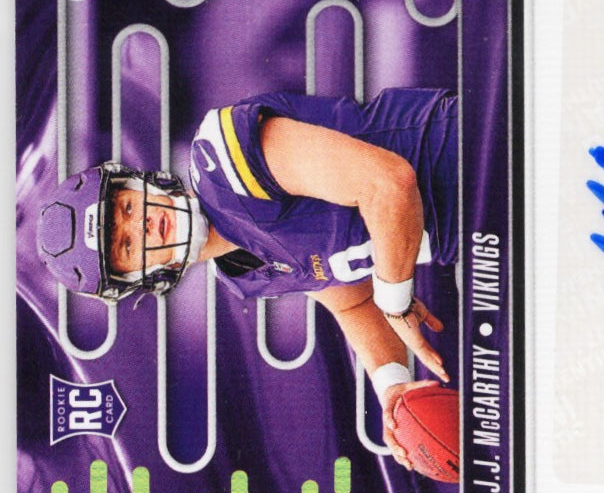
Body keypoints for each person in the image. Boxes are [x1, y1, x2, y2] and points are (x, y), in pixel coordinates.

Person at [37, 87, 458, 472]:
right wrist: (392, 388)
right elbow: (351, 301)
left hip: (468, 154)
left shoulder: (221, 160)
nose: (141, 225)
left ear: (137, 184)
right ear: (141, 279)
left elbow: (387, 183)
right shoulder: (243, 273)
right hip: (471, 237)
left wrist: (396, 300)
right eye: (127, 246)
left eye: (127, 208)